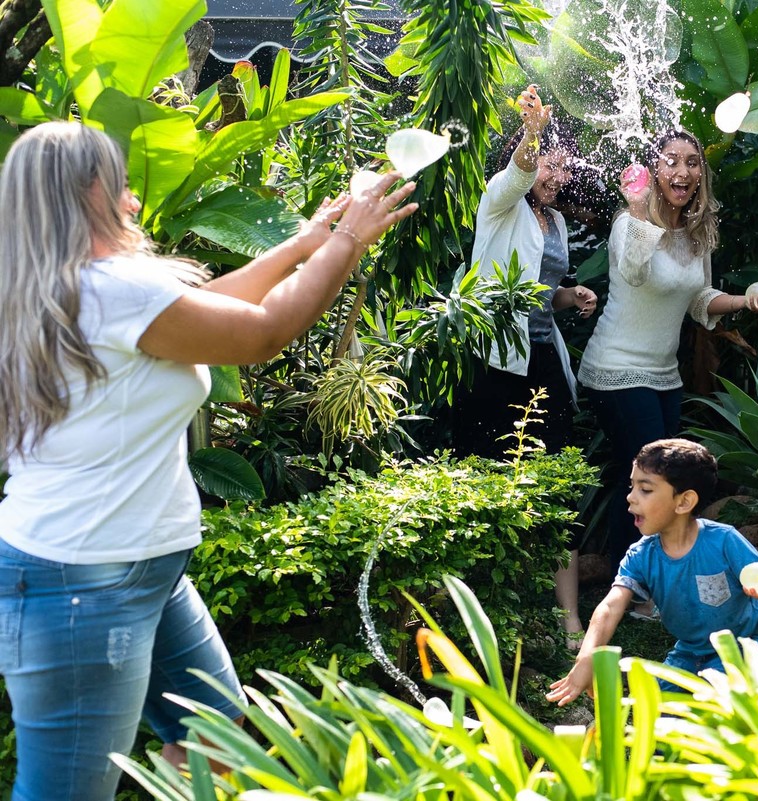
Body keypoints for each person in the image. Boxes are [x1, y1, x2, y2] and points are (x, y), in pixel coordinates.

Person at [0, 121, 418, 801]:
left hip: (140, 568)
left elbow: (206, 306)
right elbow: (262, 334)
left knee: (216, 738)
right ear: (86, 192)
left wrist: (304, 244)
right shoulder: (108, 288)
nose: (134, 198)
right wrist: (348, 241)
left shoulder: (69, 288)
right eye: (120, 183)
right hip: (84, 579)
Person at [576, 129, 758, 605]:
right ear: (654, 171)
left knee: (642, 481)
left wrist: (747, 299)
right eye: (671, 161)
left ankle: (632, 586)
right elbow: (632, 272)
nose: (683, 171)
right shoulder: (629, 223)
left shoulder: (695, 236)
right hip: (616, 371)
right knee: (656, 481)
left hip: (665, 377)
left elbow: (700, 299)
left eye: (692, 162)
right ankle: (641, 591)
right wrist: (636, 209)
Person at [453, 84, 598, 649]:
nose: (556, 176)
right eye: (548, 165)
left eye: (563, 167)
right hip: (493, 362)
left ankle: (569, 619)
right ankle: (484, 614)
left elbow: (543, 292)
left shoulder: (556, 222)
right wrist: (533, 135)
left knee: (557, 482)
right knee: (487, 476)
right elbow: (516, 174)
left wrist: (570, 297)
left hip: (542, 361)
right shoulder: (501, 202)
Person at [546, 438, 758, 705]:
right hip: (691, 650)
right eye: (632, 486)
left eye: (645, 489)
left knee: (712, 707)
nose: (630, 497)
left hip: (745, 645)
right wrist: (587, 657)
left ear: (684, 502)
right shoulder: (641, 556)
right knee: (657, 712)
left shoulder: (724, 541)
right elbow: (611, 607)